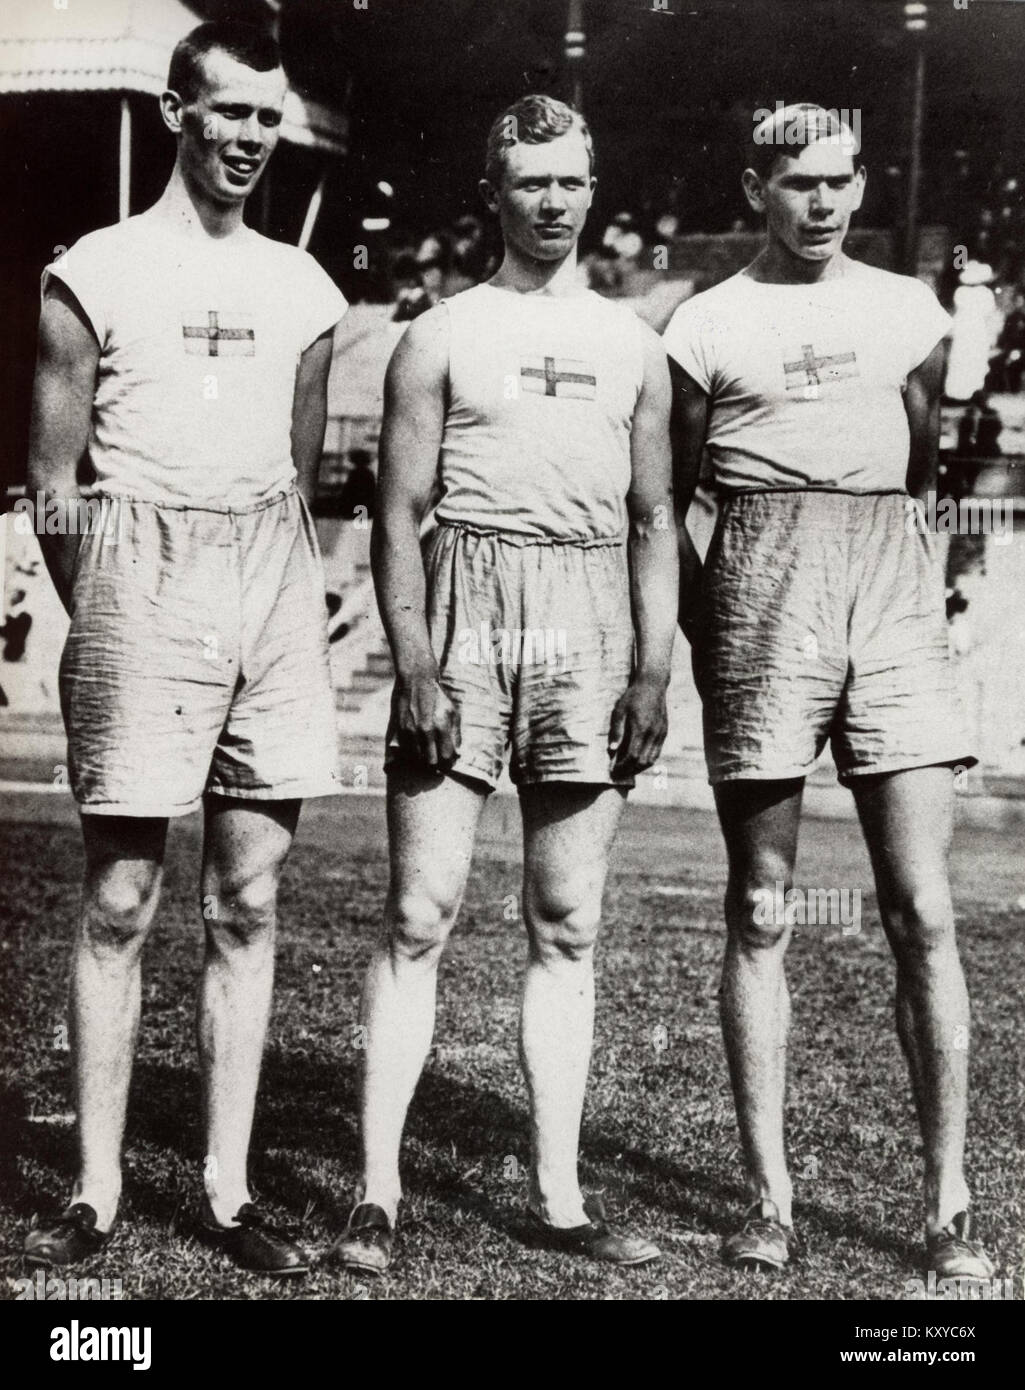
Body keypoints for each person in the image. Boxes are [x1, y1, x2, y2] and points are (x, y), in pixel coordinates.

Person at [331, 94, 678, 1275]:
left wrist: (651, 666)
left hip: (585, 618)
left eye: (568, 181)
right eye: (528, 180)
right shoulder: (440, 333)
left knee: (565, 922)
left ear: (592, 189)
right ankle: (375, 1193)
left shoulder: (633, 342)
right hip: (467, 606)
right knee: (418, 912)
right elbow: (397, 512)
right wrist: (415, 660)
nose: (550, 201)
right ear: (493, 190)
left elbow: (650, 517)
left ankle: (560, 1194)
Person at [23, 21, 347, 1277]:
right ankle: (95, 1190)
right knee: (120, 897)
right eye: (228, 114)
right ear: (176, 114)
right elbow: (53, 483)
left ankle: (225, 1188)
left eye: (268, 120)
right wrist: (108, 595)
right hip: (134, 581)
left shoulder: (304, 288)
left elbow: (300, 475)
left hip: (264, 578)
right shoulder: (90, 273)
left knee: (248, 898)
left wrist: (252, 574)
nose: (249, 140)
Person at [664, 104, 994, 1281]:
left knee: (924, 911)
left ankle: (944, 1202)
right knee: (761, 905)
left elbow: (914, 462)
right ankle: (766, 1197)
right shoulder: (705, 322)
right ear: (755, 185)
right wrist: (715, 622)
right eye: (799, 182)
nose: (825, 203)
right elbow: (670, 496)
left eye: (842, 180)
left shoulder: (904, 309)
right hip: (760, 578)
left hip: (885, 583)